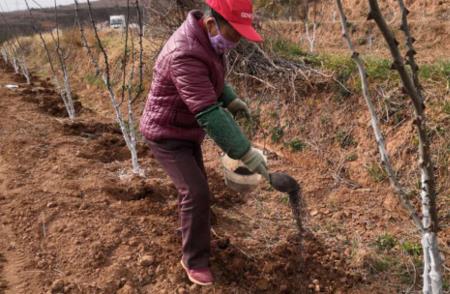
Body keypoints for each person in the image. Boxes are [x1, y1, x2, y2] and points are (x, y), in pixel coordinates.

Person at [139, 0, 267, 286]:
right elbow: (207, 111)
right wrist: (245, 152)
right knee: (195, 192)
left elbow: (212, 76)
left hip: (185, 131)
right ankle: (193, 260)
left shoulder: (206, 40)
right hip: (167, 134)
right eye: (235, 34)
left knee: (197, 190)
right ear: (212, 24)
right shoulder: (185, 52)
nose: (236, 42)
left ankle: (194, 229)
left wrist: (230, 99)